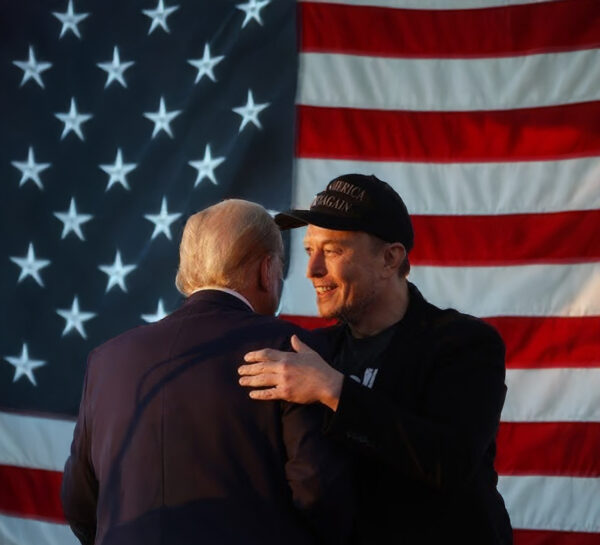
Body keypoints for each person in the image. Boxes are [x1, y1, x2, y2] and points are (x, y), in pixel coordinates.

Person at [238, 174, 513, 544]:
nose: (312, 270)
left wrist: (333, 390)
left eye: (332, 250)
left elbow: (450, 462)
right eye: (309, 251)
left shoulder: (464, 344)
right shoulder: (312, 351)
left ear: (390, 258)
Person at [61, 199, 355, 545]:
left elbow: (79, 500)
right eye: (280, 268)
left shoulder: (106, 360)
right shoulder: (292, 351)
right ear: (265, 270)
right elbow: (318, 490)